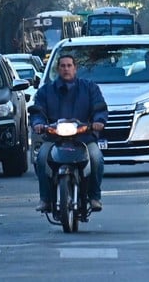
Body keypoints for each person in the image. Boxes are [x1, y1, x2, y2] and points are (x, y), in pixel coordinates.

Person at [31, 54, 108, 212]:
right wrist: (39, 124)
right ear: (58, 69)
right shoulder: (46, 91)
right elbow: (37, 111)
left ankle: (94, 196)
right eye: (63, 66)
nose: (66, 69)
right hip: (54, 138)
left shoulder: (89, 88)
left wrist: (98, 121)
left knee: (96, 158)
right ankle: (45, 199)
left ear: (75, 68)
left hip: (84, 137)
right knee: (41, 158)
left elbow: (99, 107)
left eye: (69, 65)